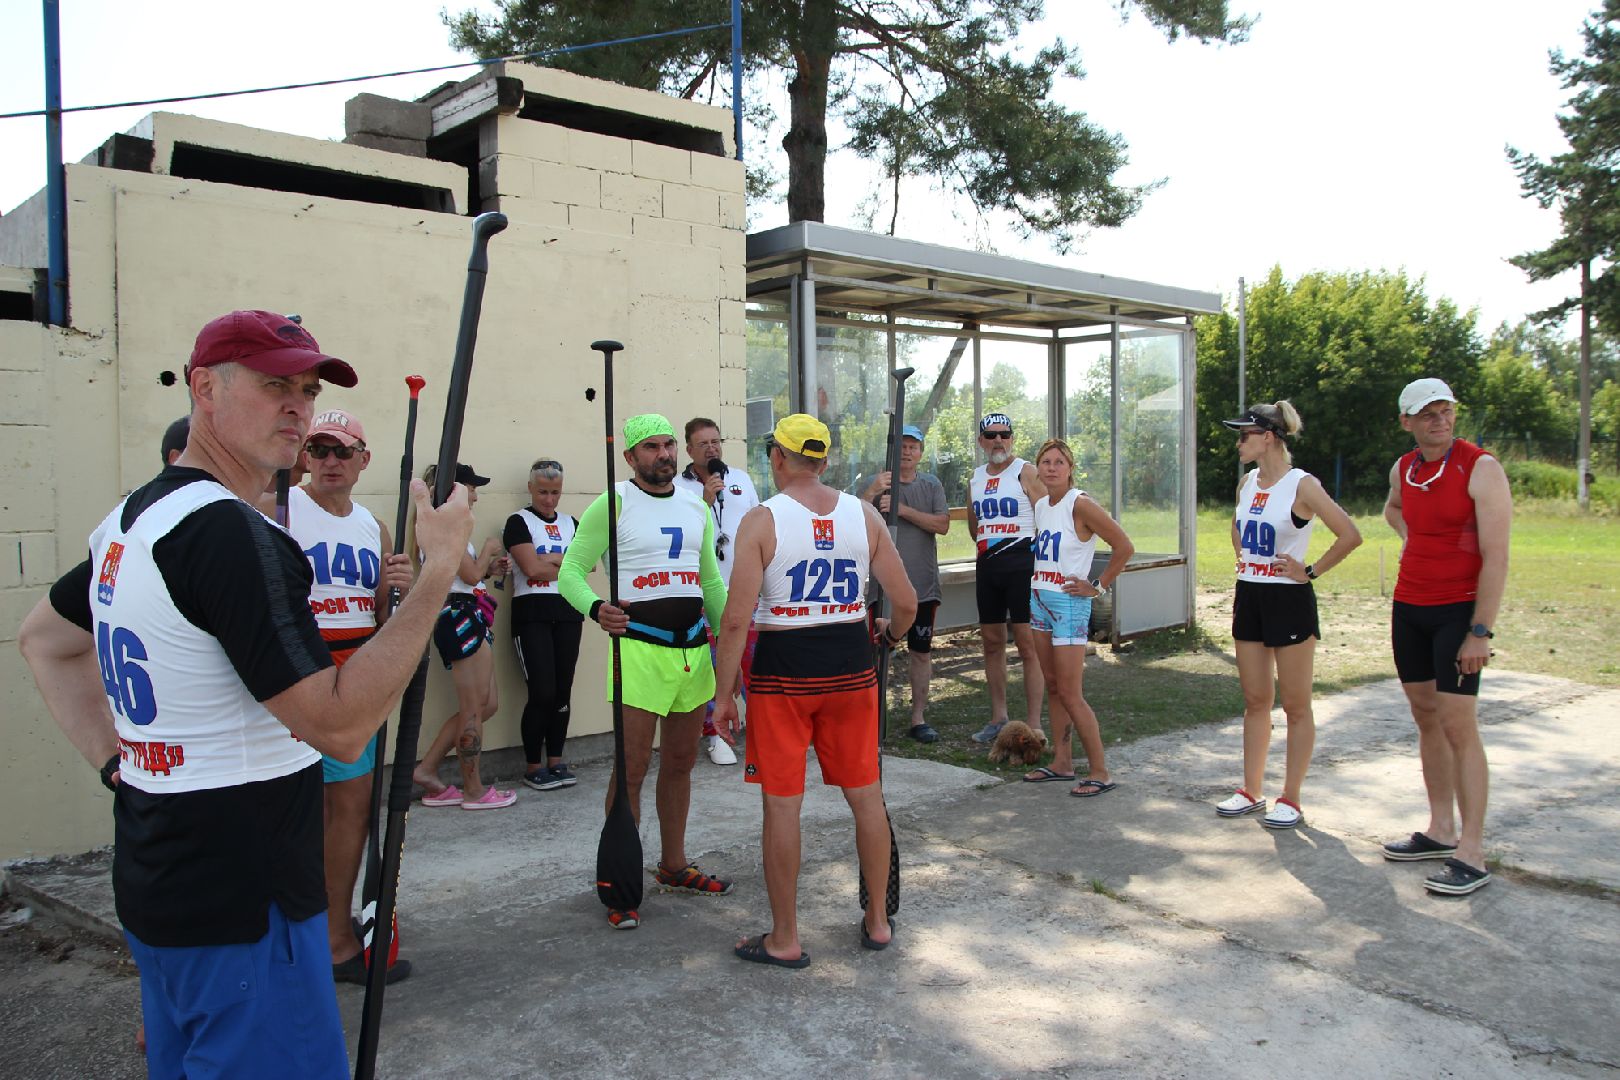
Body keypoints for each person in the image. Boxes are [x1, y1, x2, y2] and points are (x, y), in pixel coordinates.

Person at [16, 309, 473, 1079]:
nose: (296, 406)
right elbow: (339, 726)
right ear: (205, 388)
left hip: (160, 876)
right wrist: (437, 572)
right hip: (246, 897)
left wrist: (116, 765)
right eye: (273, 386)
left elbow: (46, 643)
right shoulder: (233, 534)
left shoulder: (132, 518)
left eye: (305, 388)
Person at [713, 414, 917, 966]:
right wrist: (889, 636)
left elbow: (736, 622)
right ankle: (877, 922)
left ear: (777, 458)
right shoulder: (864, 514)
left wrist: (723, 695)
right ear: (824, 461)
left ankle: (785, 938)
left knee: (782, 808)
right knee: (867, 800)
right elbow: (907, 603)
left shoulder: (762, 520)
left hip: (783, 677)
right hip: (852, 671)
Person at [558, 414, 733, 930]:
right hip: (637, 651)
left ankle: (673, 865)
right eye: (651, 448)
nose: (663, 454)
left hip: (692, 652)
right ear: (631, 456)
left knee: (680, 763)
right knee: (632, 769)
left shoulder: (695, 503)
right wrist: (594, 608)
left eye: (667, 446)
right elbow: (571, 570)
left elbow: (709, 580)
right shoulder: (611, 503)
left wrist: (731, 642)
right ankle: (620, 880)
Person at [283, 407, 416, 983]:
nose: (330, 461)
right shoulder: (278, 511)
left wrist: (404, 592)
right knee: (291, 811)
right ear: (304, 457)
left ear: (364, 461)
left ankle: (336, 938)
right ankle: (292, 938)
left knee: (350, 812)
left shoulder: (373, 527)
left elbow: (382, 617)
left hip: (355, 678)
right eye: (319, 450)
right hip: (296, 675)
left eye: (342, 451)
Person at [1380, 378, 1511, 896]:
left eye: (1445, 411)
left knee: (1460, 723)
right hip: (1409, 606)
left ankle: (1472, 851)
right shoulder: (1405, 468)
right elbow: (1393, 508)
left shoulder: (1480, 467)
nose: (1439, 420)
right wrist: (1412, 535)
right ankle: (1440, 829)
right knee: (1424, 714)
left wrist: (1480, 632)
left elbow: (1497, 556)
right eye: (1426, 413)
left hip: (1459, 612)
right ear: (1407, 422)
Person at [1215, 402, 1361, 829]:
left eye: (1245, 435)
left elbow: (1350, 534)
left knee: (1296, 705)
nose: (1239, 442)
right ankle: (1250, 790)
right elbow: (1237, 526)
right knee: (1256, 700)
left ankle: (1291, 798)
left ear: (1269, 437)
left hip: (1289, 600)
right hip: (1250, 597)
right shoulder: (1247, 482)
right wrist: (1244, 558)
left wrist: (1309, 570)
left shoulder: (1303, 485)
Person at [1019, 439, 1133, 796]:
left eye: (1059, 462)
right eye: (1045, 462)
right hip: (1040, 601)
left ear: (1070, 469)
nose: (1051, 467)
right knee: (1053, 686)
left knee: (1070, 692)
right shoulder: (1041, 506)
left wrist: (1097, 586)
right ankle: (1062, 762)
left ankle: (1100, 770)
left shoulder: (1080, 504)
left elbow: (1123, 546)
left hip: (1069, 606)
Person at [411, 463, 515, 810]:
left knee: (487, 704)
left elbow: (465, 574)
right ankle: (473, 789)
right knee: (473, 707)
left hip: (466, 613)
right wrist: (488, 550)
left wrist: (487, 566)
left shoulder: (444, 526)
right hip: (460, 615)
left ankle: (427, 769)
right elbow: (468, 576)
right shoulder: (449, 525)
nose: (475, 495)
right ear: (454, 490)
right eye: (471, 487)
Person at [673, 416, 761, 765]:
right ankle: (716, 734)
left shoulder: (739, 478)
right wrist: (707, 500)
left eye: (716, 441)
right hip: (705, 590)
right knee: (712, 664)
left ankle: (763, 729)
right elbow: (685, 533)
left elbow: (759, 524)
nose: (712, 448)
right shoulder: (679, 488)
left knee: (754, 660)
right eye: (703, 443)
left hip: (746, 586)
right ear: (690, 450)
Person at [859, 423, 948, 742]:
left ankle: (918, 718)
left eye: (913, 446)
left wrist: (902, 510)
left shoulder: (932, 485)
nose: (907, 452)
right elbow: (854, 521)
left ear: (921, 452)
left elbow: (943, 524)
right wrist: (871, 494)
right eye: (902, 446)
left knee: (921, 652)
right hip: (881, 589)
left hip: (922, 587)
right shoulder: (877, 484)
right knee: (876, 651)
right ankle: (872, 717)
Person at [504, 458, 584, 791]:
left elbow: (585, 567)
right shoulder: (518, 522)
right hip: (532, 613)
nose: (549, 499)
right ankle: (533, 765)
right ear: (530, 488)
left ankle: (556, 759)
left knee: (562, 691)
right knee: (542, 691)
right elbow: (532, 570)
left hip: (568, 611)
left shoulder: (572, 523)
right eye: (542, 492)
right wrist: (561, 564)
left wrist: (549, 560)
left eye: (555, 492)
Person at [967, 412, 1047, 744]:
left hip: (1022, 564)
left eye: (1005, 434)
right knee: (992, 643)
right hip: (988, 565)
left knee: (1028, 645)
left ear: (1012, 438)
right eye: (991, 435)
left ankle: (1032, 723)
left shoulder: (1025, 471)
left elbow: (1047, 516)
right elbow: (974, 525)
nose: (998, 440)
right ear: (981, 440)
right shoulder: (975, 477)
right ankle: (999, 717)